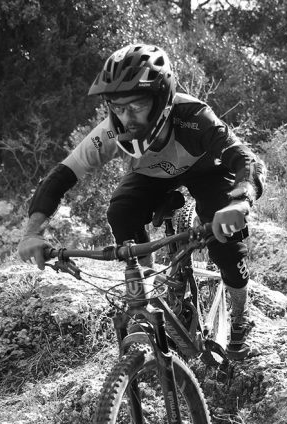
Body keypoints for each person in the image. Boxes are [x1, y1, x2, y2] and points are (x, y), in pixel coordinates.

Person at [17, 43, 264, 359]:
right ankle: (146, 287)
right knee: (121, 212)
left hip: (205, 170)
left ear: (161, 99)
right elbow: (62, 175)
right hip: (153, 176)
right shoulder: (110, 132)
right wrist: (32, 232)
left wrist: (240, 201)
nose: (127, 118)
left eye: (136, 106)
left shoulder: (194, 116)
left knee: (225, 243)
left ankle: (240, 316)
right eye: (117, 108)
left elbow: (245, 159)